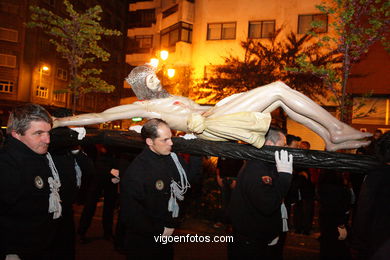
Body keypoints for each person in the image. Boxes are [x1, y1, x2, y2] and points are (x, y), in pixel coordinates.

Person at [52, 64, 371, 152]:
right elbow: (101, 116)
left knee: (277, 96)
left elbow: (202, 106)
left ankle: (329, 134)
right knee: (277, 89)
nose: (157, 76)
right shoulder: (147, 105)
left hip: (214, 112)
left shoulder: (171, 97)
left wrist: (234, 98)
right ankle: (337, 128)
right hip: (210, 123)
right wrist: (58, 122)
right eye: (152, 75)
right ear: (145, 85)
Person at [120, 118, 200, 260]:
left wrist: (195, 151)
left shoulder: (171, 158)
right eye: (165, 140)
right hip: (144, 243)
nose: (171, 143)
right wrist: (160, 231)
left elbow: (190, 179)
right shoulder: (137, 170)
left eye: (171, 138)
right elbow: (130, 213)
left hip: (165, 237)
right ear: (150, 142)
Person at [0, 104, 62, 259]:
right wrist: (9, 251)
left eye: (48, 132)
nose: (47, 139)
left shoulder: (39, 155)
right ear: (16, 134)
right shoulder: (6, 165)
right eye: (38, 133)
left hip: (42, 246)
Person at [227, 128, 293, 259]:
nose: (286, 149)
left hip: (257, 238)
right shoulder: (257, 169)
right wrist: (285, 177)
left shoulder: (266, 165)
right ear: (269, 145)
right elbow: (268, 205)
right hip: (249, 242)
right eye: (283, 145)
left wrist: (272, 231)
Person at [350, 131, 390, 260]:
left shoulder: (376, 173)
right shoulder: (378, 174)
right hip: (379, 235)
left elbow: (364, 207)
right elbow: (365, 207)